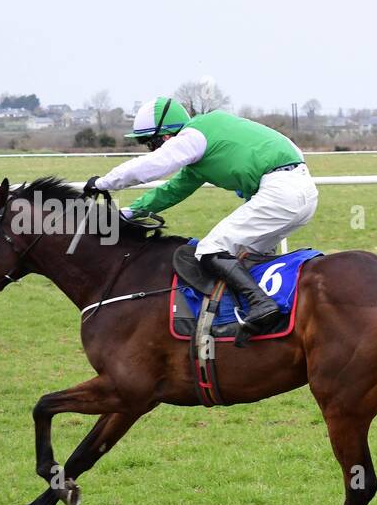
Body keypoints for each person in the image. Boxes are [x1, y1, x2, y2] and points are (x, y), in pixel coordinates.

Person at [83, 97, 318, 340]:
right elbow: (172, 190)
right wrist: (126, 214)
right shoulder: (204, 146)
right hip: (300, 191)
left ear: (165, 136)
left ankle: (263, 306)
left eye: (150, 142)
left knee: (209, 249)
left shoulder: (194, 135)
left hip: (280, 192)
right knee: (240, 256)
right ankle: (249, 317)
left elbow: (152, 166)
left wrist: (103, 183)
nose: (152, 149)